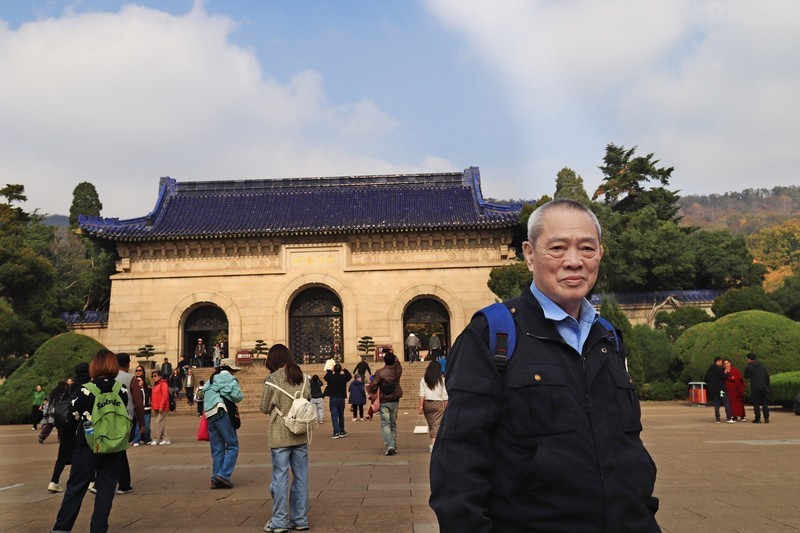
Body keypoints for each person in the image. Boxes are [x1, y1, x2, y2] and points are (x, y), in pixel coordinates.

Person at [429, 199, 659, 532]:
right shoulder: (492, 334)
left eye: (587, 248)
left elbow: (627, 446)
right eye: (557, 247)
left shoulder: (607, 336)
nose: (574, 261)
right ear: (529, 253)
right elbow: (458, 459)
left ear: (600, 254)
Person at [51, 350, 130, 533]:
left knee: (76, 488)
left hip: (88, 444)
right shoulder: (121, 389)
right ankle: (98, 528)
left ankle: (62, 529)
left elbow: (71, 416)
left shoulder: (86, 389)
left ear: (95, 366)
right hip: (114, 445)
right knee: (106, 490)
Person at [259, 344, 311, 533]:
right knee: (301, 477)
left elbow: (264, 407)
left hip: (280, 433)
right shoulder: (303, 378)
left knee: (280, 478)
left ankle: (279, 521)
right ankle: (300, 519)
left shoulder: (272, 380)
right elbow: (308, 399)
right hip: (300, 432)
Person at [48, 363, 89, 493]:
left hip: (67, 425)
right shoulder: (87, 387)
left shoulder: (69, 388)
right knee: (86, 453)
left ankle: (54, 481)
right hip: (81, 425)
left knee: (62, 455)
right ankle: (91, 481)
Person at [203, 357, 243, 489]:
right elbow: (238, 396)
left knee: (217, 449)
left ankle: (215, 478)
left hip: (210, 415)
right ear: (231, 370)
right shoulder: (231, 380)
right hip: (222, 412)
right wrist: (226, 393)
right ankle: (224, 475)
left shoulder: (211, 380)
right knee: (232, 446)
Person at [113, 353, 145, 495]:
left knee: (115, 450)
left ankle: (122, 483)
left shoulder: (108, 376)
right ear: (128, 364)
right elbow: (138, 403)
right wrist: (142, 423)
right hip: (125, 418)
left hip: (108, 418)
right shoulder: (130, 378)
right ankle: (123, 483)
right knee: (120, 450)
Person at [367, 349, 403, 455]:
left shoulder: (380, 372)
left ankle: (390, 445)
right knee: (393, 423)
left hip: (384, 400)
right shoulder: (398, 371)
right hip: (395, 398)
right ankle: (394, 444)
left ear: (384, 360)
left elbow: (372, 385)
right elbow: (398, 363)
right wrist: (393, 354)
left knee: (385, 423)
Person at [419, 360, 448, 453]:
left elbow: (421, 393)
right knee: (436, 424)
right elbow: (444, 395)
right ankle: (434, 445)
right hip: (438, 403)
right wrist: (446, 406)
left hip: (427, 404)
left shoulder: (424, 379)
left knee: (432, 424)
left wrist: (420, 406)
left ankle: (433, 442)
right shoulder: (442, 380)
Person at [323, 363, 352, 438]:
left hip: (333, 398)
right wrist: (344, 369)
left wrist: (330, 371)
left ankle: (336, 432)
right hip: (341, 398)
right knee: (341, 415)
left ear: (334, 369)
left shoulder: (331, 377)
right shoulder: (343, 377)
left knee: (334, 415)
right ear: (340, 370)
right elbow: (349, 376)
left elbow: (325, 377)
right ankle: (342, 431)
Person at [705, 357, 735, 423]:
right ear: (718, 361)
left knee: (716, 403)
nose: (722, 363)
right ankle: (729, 418)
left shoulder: (709, 369)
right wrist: (727, 372)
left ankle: (717, 418)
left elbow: (706, 378)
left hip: (713, 390)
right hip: (721, 389)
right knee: (726, 402)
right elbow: (724, 377)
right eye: (721, 361)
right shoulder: (719, 369)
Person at [744, 353, 770, 424]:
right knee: (764, 402)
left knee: (756, 403)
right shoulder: (762, 366)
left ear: (749, 359)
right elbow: (767, 376)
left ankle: (757, 418)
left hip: (755, 387)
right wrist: (766, 385)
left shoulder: (749, 367)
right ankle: (766, 418)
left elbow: (746, 376)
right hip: (763, 386)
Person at [150, 371, 171, 445]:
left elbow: (165, 396)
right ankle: (166, 438)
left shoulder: (163, 384)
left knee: (158, 422)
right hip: (157, 407)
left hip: (163, 407)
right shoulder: (155, 385)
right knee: (161, 424)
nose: (153, 378)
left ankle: (156, 439)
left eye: (155, 376)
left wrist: (161, 406)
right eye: (152, 376)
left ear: (159, 377)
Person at [130, 376, 151, 446]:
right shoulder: (135, 391)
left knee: (147, 427)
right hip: (139, 410)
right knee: (138, 426)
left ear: (143, 381)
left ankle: (146, 439)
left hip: (147, 409)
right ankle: (136, 440)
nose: (137, 382)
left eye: (139, 380)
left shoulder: (148, 390)